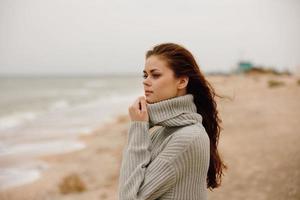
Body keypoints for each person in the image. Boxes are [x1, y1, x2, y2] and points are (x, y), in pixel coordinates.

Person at [118, 43, 226, 200]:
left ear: (181, 82)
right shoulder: (163, 130)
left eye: (155, 75)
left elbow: (128, 197)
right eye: (145, 75)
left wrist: (138, 127)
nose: (146, 81)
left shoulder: (188, 137)